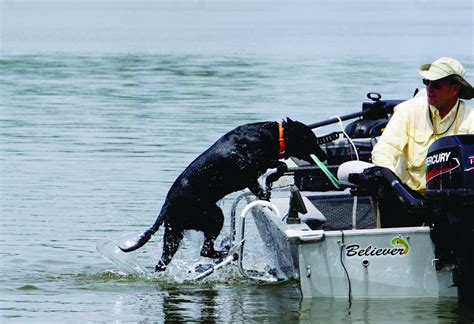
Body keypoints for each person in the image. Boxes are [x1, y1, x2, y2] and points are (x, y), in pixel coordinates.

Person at [370, 57, 474, 227]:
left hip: (453, 202)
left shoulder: (471, 119)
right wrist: (396, 186)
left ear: (455, 89)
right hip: (406, 195)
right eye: (427, 82)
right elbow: (384, 149)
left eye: (436, 85)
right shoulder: (407, 111)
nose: (429, 89)